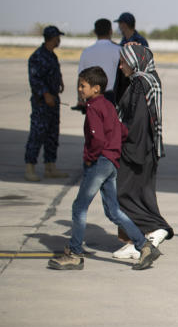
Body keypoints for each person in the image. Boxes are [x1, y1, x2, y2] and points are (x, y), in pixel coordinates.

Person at [47, 67, 161, 271]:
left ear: (96, 88)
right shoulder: (108, 105)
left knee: (79, 207)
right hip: (111, 162)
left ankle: (74, 253)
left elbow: (97, 138)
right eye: (79, 85)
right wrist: (113, 149)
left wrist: (90, 159)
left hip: (100, 163)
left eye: (83, 86)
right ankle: (144, 247)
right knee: (113, 211)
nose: (79, 89)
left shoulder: (93, 108)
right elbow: (122, 130)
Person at [111, 44, 173, 260]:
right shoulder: (148, 79)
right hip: (145, 149)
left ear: (135, 61)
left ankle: (156, 228)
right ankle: (137, 242)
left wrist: (124, 144)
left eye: (123, 62)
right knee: (142, 195)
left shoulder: (140, 83)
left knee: (123, 195)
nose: (120, 67)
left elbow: (136, 122)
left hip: (135, 150)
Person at [25, 25, 68, 182]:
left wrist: (60, 82)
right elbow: (34, 79)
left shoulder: (52, 55)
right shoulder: (37, 56)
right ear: (52, 38)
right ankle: (30, 166)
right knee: (37, 133)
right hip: (42, 102)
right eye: (58, 37)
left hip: (54, 100)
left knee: (52, 134)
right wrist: (45, 94)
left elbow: (55, 72)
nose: (59, 40)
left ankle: (50, 166)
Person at [77, 18, 121, 105]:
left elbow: (80, 77)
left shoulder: (86, 52)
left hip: (92, 97)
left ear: (95, 31)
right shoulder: (119, 50)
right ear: (111, 31)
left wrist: (80, 99)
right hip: (113, 98)